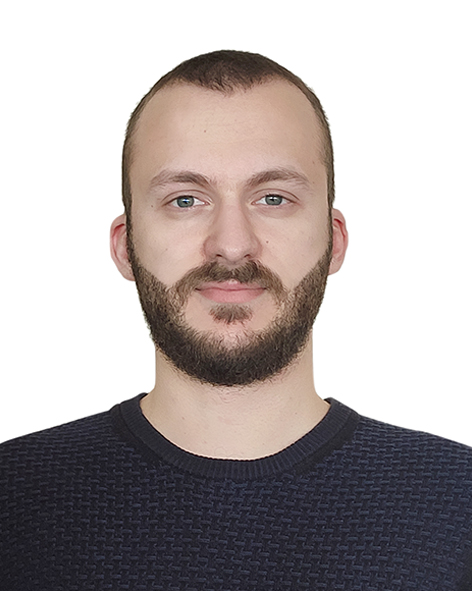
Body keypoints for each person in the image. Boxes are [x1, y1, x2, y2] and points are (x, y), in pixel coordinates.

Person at [1, 50, 471, 590]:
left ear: (334, 240)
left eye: (273, 198)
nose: (231, 244)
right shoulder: (13, 497)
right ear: (125, 246)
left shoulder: (458, 505)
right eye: (185, 200)